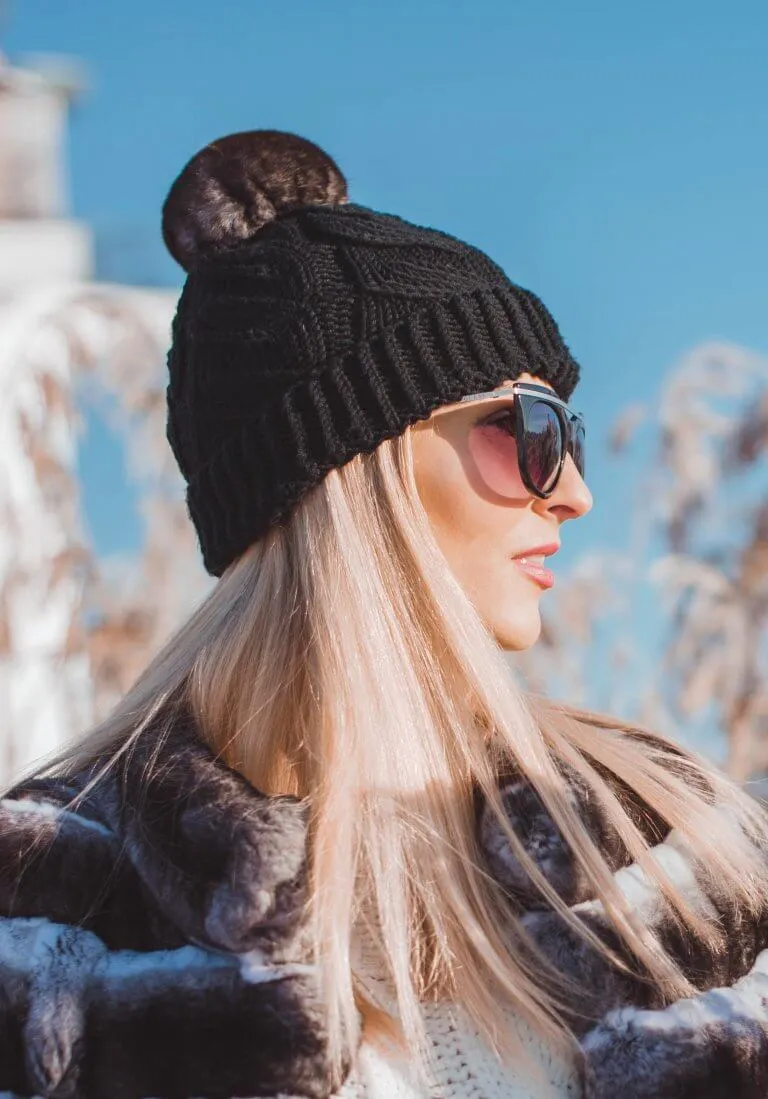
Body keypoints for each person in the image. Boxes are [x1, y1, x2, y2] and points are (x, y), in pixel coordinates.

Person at [1, 130, 768, 1099]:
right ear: (354, 468)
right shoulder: (55, 916)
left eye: (574, 437)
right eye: (532, 428)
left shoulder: (668, 847)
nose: (574, 491)